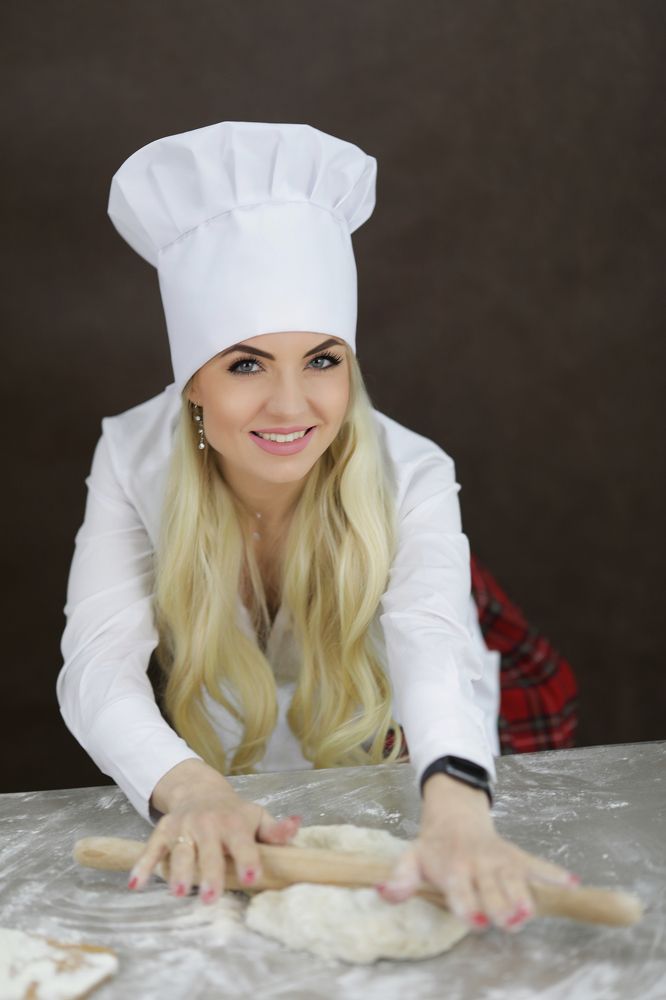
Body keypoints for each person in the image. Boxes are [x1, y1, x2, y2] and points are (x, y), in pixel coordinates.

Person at [57, 120, 579, 936]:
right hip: (221, 757)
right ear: (192, 381)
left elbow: (434, 642)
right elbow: (97, 664)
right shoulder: (133, 456)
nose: (292, 406)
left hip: (391, 745)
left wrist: (455, 811)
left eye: (323, 360)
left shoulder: (413, 470)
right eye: (246, 364)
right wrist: (192, 789)